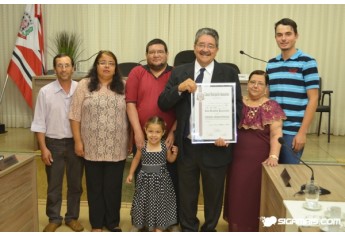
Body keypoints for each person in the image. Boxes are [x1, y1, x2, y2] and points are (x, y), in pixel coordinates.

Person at [158, 27, 243, 232]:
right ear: (194, 47)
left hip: (217, 146)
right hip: (187, 145)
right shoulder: (179, 72)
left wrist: (227, 133)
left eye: (210, 46)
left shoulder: (229, 73)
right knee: (187, 193)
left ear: (217, 49)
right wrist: (179, 88)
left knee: (214, 194)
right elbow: (163, 103)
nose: (205, 49)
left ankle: (209, 229)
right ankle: (188, 228)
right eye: (201, 45)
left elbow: (237, 108)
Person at [69, 50, 131, 232]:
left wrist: (130, 140)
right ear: (96, 65)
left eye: (111, 63)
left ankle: (112, 223)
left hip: (117, 145)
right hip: (91, 146)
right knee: (94, 187)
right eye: (102, 62)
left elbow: (131, 114)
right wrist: (78, 141)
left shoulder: (124, 86)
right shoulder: (84, 85)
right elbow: (74, 116)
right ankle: (96, 223)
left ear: (115, 67)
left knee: (113, 188)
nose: (106, 66)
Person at [125, 38, 179, 231]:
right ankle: (143, 221)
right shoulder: (136, 72)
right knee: (143, 189)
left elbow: (183, 106)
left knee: (168, 187)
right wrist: (138, 133)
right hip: (143, 138)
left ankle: (167, 221)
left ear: (167, 54)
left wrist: (173, 132)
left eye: (160, 51)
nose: (156, 55)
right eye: (152, 51)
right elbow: (130, 103)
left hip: (168, 138)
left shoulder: (175, 73)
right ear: (146, 54)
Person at [223, 70, 286, 232]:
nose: (255, 86)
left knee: (254, 194)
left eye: (260, 83)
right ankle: (236, 227)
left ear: (266, 87)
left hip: (260, 160)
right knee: (237, 193)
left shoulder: (271, 106)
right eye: (252, 82)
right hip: (236, 158)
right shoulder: (237, 102)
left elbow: (276, 134)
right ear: (247, 84)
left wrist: (274, 155)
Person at [31, 54, 84, 232]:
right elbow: (39, 122)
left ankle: (72, 217)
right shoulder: (45, 92)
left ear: (73, 68)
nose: (63, 69)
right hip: (53, 144)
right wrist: (43, 148)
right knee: (54, 185)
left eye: (67, 65)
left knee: (75, 184)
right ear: (55, 69)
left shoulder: (81, 89)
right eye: (60, 66)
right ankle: (54, 218)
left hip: (76, 144)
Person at [266, 18, 320, 164]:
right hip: (272, 129)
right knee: (270, 174)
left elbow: (314, 99)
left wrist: (302, 133)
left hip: (293, 132)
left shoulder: (307, 62)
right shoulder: (271, 64)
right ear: (275, 37)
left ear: (296, 36)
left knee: (287, 179)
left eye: (288, 34)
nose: (283, 38)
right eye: (279, 35)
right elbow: (268, 97)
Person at [126, 116, 178, 232]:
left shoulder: (165, 146)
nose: (153, 135)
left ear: (163, 132)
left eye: (157, 132)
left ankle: (160, 226)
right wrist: (130, 174)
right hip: (145, 182)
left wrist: (174, 154)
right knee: (144, 202)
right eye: (150, 131)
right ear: (145, 130)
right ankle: (142, 224)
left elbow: (170, 160)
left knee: (160, 203)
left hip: (162, 181)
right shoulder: (143, 146)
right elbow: (136, 159)